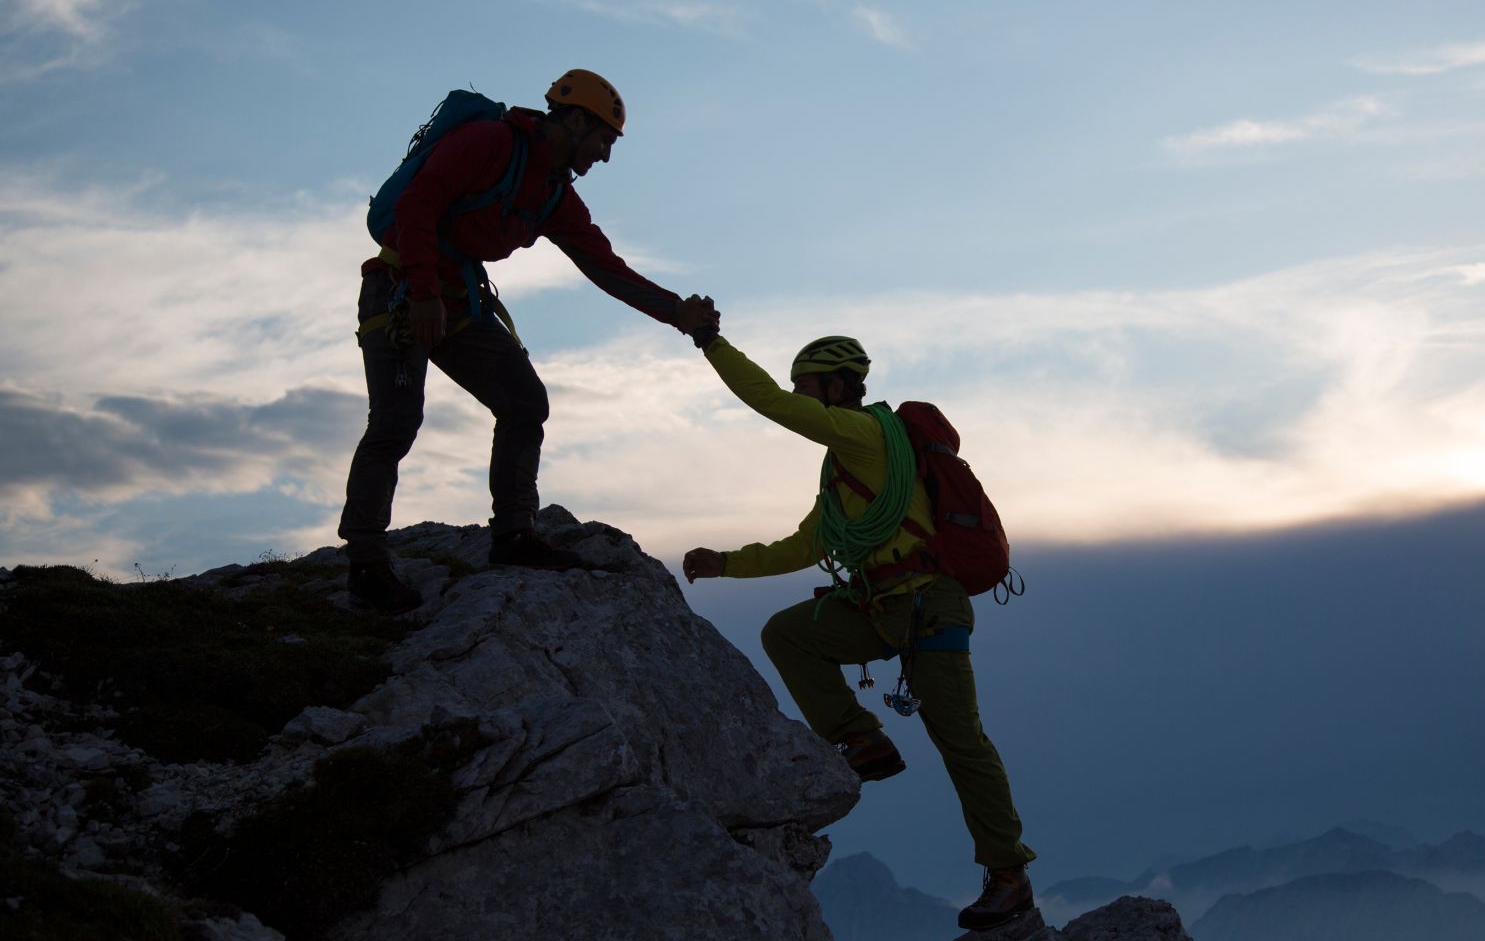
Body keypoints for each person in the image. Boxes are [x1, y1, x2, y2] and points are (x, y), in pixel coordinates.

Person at [681, 332, 1038, 932]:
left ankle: (1009, 875)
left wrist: (710, 343)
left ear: (837, 387)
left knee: (961, 743)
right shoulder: (842, 469)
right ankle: (862, 738)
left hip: (930, 606)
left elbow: (771, 403)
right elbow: (809, 543)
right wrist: (728, 562)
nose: (802, 398)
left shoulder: (867, 435)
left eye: (809, 388)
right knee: (788, 633)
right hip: (880, 606)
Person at [340, 69, 716, 612]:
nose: (605, 156)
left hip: (456, 302)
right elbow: (416, 205)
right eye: (604, 140)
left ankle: (515, 537)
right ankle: (366, 564)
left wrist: (678, 313)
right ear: (577, 119)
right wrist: (422, 292)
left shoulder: (552, 193)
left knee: (525, 400)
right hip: (399, 289)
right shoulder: (490, 142)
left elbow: (606, 268)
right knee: (396, 420)